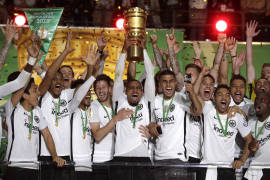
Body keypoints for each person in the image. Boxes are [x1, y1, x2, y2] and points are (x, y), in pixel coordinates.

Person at [38, 32, 97, 180]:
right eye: (54, 79)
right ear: (49, 81)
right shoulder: (43, 96)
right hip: (46, 156)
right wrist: (65, 52)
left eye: (61, 78)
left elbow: (84, 88)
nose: (58, 81)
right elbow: (50, 73)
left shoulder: (68, 96)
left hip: (66, 156)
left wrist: (90, 67)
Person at [110, 33, 155, 180]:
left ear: (142, 92)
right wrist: (124, 51)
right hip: (120, 157)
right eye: (131, 88)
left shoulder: (146, 101)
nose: (135, 90)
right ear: (125, 91)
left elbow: (150, 74)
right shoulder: (119, 100)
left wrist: (144, 51)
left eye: (138, 88)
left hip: (142, 159)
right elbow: (117, 76)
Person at [4, 78, 65, 180]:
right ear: (24, 95)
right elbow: (21, 86)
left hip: (33, 166)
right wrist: (31, 65)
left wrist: (55, 156)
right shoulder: (13, 108)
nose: (38, 93)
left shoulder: (37, 111)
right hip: (14, 166)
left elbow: (47, 134)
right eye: (35, 90)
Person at [201, 85, 253, 180]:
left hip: (228, 168)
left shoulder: (237, 116)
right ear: (214, 98)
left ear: (230, 99)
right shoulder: (208, 110)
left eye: (227, 95)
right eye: (220, 94)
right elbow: (195, 97)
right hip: (208, 167)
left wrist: (242, 159)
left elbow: (250, 139)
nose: (224, 97)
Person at [90, 74, 115, 180]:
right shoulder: (93, 106)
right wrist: (116, 120)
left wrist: (106, 128)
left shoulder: (117, 104)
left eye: (103, 87)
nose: (101, 91)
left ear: (109, 88)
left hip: (117, 159)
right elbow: (97, 135)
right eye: (98, 88)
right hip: (100, 160)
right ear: (95, 91)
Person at [244, 92, 270, 180]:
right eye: (256, 99)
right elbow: (250, 145)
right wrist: (251, 145)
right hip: (256, 168)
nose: (258, 102)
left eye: (262, 100)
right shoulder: (250, 123)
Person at [71, 80, 93, 179]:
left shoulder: (92, 113)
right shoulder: (71, 111)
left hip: (89, 165)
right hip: (73, 166)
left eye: (89, 90)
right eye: (84, 90)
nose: (87, 93)